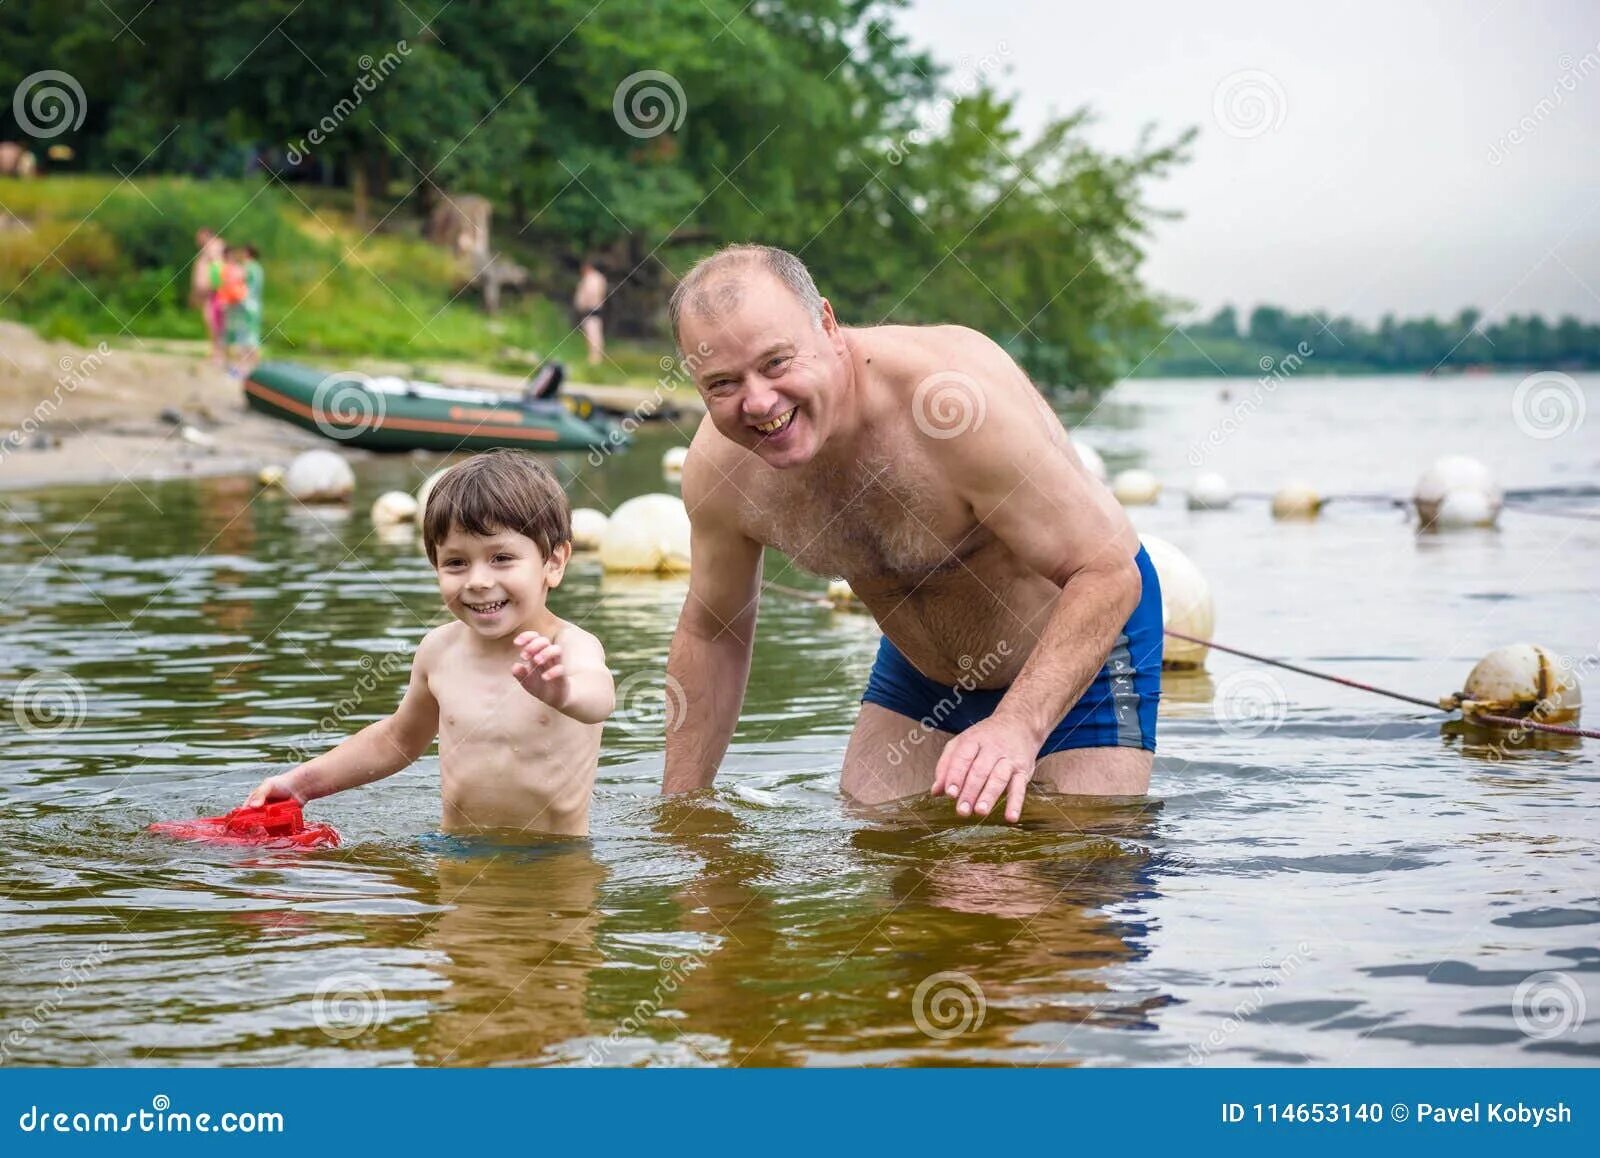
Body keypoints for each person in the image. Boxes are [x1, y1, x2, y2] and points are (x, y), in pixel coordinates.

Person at [660, 244, 1162, 823]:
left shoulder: (953, 408)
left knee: (1056, 876)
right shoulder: (721, 470)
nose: (760, 403)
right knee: (890, 860)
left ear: (826, 323)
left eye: (776, 363)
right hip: (922, 669)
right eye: (723, 383)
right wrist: (682, 813)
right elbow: (712, 632)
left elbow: (1106, 571)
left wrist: (1018, 726)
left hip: (1083, 644)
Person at [245, 451, 616, 836]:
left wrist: (563, 692)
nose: (477, 580)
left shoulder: (568, 646)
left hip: (555, 866)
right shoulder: (439, 650)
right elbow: (396, 740)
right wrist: (301, 785)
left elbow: (600, 698)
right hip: (455, 857)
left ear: (554, 563)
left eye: (501, 558)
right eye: (456, 563)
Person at [221, 244, 265, 378]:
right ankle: (255, 370)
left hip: (246, 307)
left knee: (245, 339)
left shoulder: (249, 268)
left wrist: (230, 298)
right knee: (250, 339)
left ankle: (250, 370)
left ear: (247, 253)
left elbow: (242, 289)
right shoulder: (258, 268)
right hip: (254, 307)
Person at [190, 229, 226, 366]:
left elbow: (218, 268)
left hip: (215, 292)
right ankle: (215, 350)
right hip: (207, 293)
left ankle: (219, 352)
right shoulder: (206, 250)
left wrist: (213, 287)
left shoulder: (216, 247)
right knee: (209, 320)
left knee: (214, 321)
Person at [572, 259, 607, 365]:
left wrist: (585, 303)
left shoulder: (593, 278)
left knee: (593, 335)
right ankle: (594, 358)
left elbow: (592, 293)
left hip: (591, 311)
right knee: (592, 334)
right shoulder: (595, 278)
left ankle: (595, 359)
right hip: (590, 311)